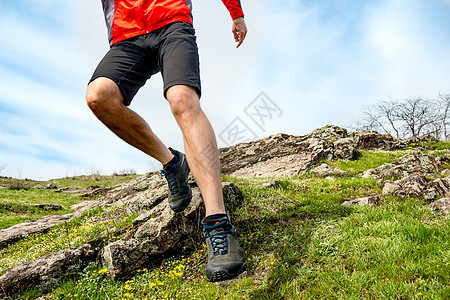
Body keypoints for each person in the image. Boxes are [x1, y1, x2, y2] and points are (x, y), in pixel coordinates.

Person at [85, 0, 248, 282]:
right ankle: (172, 163)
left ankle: (218, 224)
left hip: (172, 21)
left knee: (182, 99)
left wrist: (237, 14)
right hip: (127, 35)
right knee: (98, 96)